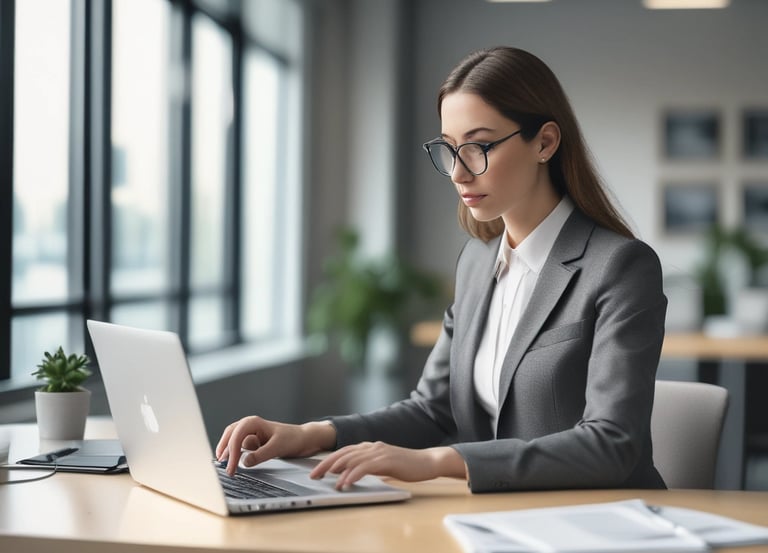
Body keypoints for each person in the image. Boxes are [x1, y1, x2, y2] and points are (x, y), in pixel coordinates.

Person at [216, 46, 668, 492]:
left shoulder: (619, 266)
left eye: (478, 147)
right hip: (499, 519)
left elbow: (613, 444)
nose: (458, 173)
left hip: (599, 521)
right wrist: (310, 434)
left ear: (545, 142)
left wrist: (439, 462)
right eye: (450, 150)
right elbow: (432, 410)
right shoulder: (477, 263)